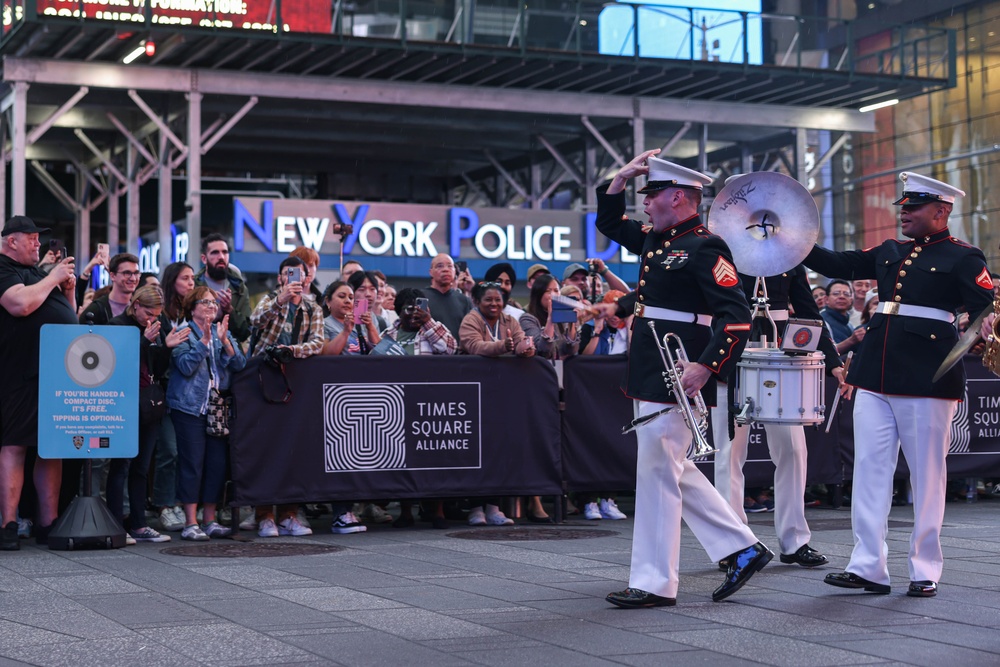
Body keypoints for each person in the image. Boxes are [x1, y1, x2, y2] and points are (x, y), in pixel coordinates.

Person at [594, 150, 771, 608]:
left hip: (679, 371)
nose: (645, 203)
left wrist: (706, 365)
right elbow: (611, 225)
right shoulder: (658, 240)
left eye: (651, 195)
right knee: (668, 465)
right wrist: (620, 178)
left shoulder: (705, 245)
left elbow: (736, 319)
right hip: (653, 366)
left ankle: (654, 581)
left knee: (657, 470)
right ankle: (742, 547)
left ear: (677, 197)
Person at [805, 171, 994, 598]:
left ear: (941, 211)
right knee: (870, 470)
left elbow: (986, 310)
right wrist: (795, 242)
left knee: (928, 474)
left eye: (913, 207)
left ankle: (925, 568)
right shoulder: (890, 250)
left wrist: (980, 331)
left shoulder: (965, 256)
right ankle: (868, 565)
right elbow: (838, 263)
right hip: (875, 371)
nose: (904, 213)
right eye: (903, 206)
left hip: (929, 373)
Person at [713, 258, 846, 572]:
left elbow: (809, 315)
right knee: (730, 453)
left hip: (781, 357)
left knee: (793, 449)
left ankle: (794, 540)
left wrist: (832, 359)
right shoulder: (722, 252)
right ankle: (735, 544)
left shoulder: (787, 257)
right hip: (733, 351)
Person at [0, 216, 78, 549]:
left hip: (54, 374)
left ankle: (49, 522)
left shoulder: (36, 274)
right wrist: (54, 277)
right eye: (31, 238)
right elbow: (20, 305)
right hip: (19, 373)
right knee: (15, 445)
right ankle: (8, 523)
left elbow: (68, 317)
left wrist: (69, 291)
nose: (37, 243)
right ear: (11, 241)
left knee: (52, 447)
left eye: (38, 238)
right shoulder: (5, 270)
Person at [248, 256, 326, 538]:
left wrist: (293, 350)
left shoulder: (312, 308)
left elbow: (318, 343)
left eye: (297, 274)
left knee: (293, 448)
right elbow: (254, 322)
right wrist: (281, 301)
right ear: (280, 277)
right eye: (286, 274)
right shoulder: (269, 299)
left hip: (294, 379)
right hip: (261, 379)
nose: (292, 278)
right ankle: (264, 515)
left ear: (306, 278)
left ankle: (290, 514)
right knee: (264, 448)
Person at [106, 285, 188, 543]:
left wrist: (166, 347)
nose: (151, 319)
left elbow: (158, 368)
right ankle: (117, 523)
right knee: (121, 465)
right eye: (148, 313)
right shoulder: (118, 325)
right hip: (123, 402)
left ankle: (139, 525)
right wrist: (144, 341)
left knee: (142, 467)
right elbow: (114, 363)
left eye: (156, 315)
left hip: (148, 402)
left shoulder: (157, 326)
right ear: (136, 305)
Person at [167, 287, 247, 541]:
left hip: (217, 407)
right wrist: (202, 343)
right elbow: (185, 366)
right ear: (192, 308)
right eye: (205, 302)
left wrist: (224, 341)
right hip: (190, 406)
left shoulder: (222, 331)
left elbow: (240, 364)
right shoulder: (184, 332)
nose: (211, 306)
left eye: (214, 302)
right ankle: (191, 522)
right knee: (192, 462)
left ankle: (209, 519)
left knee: (216, 464)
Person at [459, 281, 534, 526]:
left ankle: (494, 507)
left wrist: (525, 349)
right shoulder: (470, 320)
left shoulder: (510, 321)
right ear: (477, 302)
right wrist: (504, 346)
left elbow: (522, 341)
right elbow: (473, 346)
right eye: (488, 300)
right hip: (474, 394)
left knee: (500, 449)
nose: (494, 304)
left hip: (503, 394)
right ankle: (475, 508)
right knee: (476, 451)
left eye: (498, 300)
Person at [154, 261, 196, 532]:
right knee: (168, 450)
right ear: (172, 282)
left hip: (191, 394)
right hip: (165, 391)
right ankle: (164, 505)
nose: (191, 283)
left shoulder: (196, 312)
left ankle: (183, 502)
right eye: (185, 278)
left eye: (193, 278)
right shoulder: (161, 316)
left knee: (187, 452)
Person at [195, 233, 251, 344]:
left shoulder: (239, 288)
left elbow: (246, 331)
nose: (221, 257)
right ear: (204, 258)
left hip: (230, 354)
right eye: (215, 252)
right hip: (200, 351)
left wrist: (228, 310)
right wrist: (212, 315)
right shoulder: (194, 286)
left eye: (224, 252)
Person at [519, 274, 579, 360]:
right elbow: (543, 350)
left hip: (563, 370)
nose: (553, 295)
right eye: (548, 291)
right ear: (538, 294)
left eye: (556, 290)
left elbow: (571, 350)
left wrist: (572, 323)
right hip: (540, 370)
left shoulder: (562, 319)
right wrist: (550, 319)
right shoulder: (527, 319)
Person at [78, 252, 139, 324]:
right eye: (127, 273)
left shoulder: (141, 306)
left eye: (136, 273)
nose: (133, 278)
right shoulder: (96, 310)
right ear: (113, 276)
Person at [425, 254, 471, 340]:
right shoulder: (421, 297)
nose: (446, 270)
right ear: (430, 272)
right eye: (440, 266)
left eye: (450, 266)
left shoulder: (464, 301)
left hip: (459, 352)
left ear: (454, 271)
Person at [821, 280, 864, 358]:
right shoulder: (821, 321)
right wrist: (851, 340)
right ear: (826, 299)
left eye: (846, 294)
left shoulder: (849, 324)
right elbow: (824, 353)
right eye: (836, 294)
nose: (842, 297)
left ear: (851, 300)